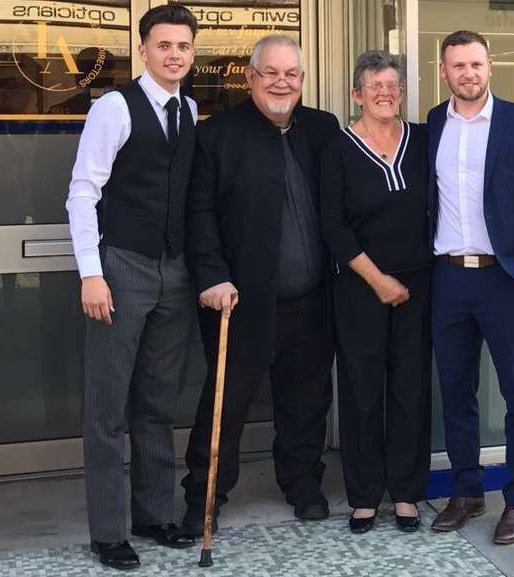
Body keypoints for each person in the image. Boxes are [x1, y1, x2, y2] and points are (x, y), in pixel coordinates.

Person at [181, 35, 340, 535]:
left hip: (313, 301)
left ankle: (303, 484)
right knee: (225, 404)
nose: (281, 82)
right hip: (240, 302)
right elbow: (198, 214)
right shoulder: (218, 136)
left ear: (302, 81)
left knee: (307, 400)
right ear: (249, 78)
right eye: (270, 72)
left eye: (291, 74)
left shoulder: (322, 128)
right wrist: (212, 276)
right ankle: (203, 496)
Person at [66, 4, 199, 570]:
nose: (174, 55)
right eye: (164, 45)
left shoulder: (190, 108)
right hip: (121, 266)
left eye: (183, 46)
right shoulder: (113, 107)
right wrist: (90, 273)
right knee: (108, 404)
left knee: (157, 401)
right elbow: (82, 192)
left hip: (176, 270)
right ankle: (108, 530)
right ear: (143, 48)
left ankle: (154, 514)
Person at [427, 30, 514, 545]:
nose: (468, 73)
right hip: (448, 278)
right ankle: (466, 491)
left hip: (505, 278)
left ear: (490, 67)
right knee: (456, 392)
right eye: (458, 65)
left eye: (476, 64)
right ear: (444, 72)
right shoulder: (434, 124)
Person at [320, 51, 432, 534]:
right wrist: (378, 280)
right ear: (356, 95)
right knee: (363, 389)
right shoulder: (339, 149)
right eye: (375, 85)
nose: (385, 93)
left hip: (421, 284)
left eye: (393, 85)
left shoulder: (424, 141)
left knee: (410, 388)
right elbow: (333, 225)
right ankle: (364, 495)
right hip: (361, 287)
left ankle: (406, 493)